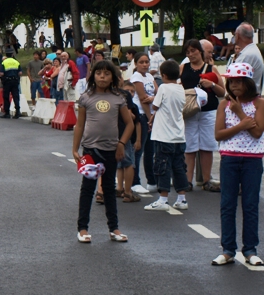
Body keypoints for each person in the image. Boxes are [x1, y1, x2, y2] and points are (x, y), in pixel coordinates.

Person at [73, 60, 135, 243]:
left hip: (112, 150)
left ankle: (114, 228)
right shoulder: (86, 97)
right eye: (99, 73)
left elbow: (130, 123)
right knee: (88, 189)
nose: (102, 77)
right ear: (93, 75)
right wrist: (75, 149)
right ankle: (82, 229)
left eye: (107, 73)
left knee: (109, 189)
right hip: (90, 150)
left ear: (113, 77)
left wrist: (122, 144)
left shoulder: (119, 98)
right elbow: (80, 124)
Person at [212, 62, 264, 266]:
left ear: (248, 82)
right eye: (231, 81)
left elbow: (257, 131)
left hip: (253, 159)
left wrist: (241, 115)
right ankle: (228, 250)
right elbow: (218, 134)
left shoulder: (260, 104)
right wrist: (242, 125)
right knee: (227, 204)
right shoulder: (223, 105)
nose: (233, 85)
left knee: (251, 204)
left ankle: (250, 250)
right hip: (230, 158)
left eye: (238, 81)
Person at [144, 60, 190, 211]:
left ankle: (163, 199)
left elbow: (156, 105)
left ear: (163, 75)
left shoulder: (163, 87)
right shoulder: (180, 88)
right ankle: (182, 199)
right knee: (179, 167)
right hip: (179, 135)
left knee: (162, 166)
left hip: (164, 136)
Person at [180, 39, 225, 192]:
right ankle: (188, 180)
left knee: (207, 145)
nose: (191, 54)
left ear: (199, 51)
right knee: (189, 146)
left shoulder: (211, 68)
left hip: (208, 110)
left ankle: (206, 180)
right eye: (188, 52)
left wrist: (211, 84)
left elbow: (222, 91)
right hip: (189, 111)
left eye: (193, 51)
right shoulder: (183, 68)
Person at [130, 52, 157, 193]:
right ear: (136, 64)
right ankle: (134, 181)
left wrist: (152, 99)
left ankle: (152, 181)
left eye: (147, 62)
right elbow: (142, 98)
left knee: (150, 150)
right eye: (141, 62)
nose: (145, 64)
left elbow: (158, 93)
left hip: (151, 115)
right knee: (138, 149)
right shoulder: (136, 77)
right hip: (141, 115)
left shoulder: (150, 76)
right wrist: (150, 117)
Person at [233, 22, 264, 94]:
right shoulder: (253, 51)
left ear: (237, 36)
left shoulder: (246, 55)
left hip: (246, 99)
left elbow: (235, 79)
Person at [0, 52, 22, 118]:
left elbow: (2, 73)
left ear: (6, 55)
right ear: (12, 55)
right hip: (15, 81)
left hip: (7, 81)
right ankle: (17, 112)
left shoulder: (4, 62)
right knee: (16, 96)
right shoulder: (16, 62)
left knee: (6, 96)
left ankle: (7, 113)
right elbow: (20, 73)